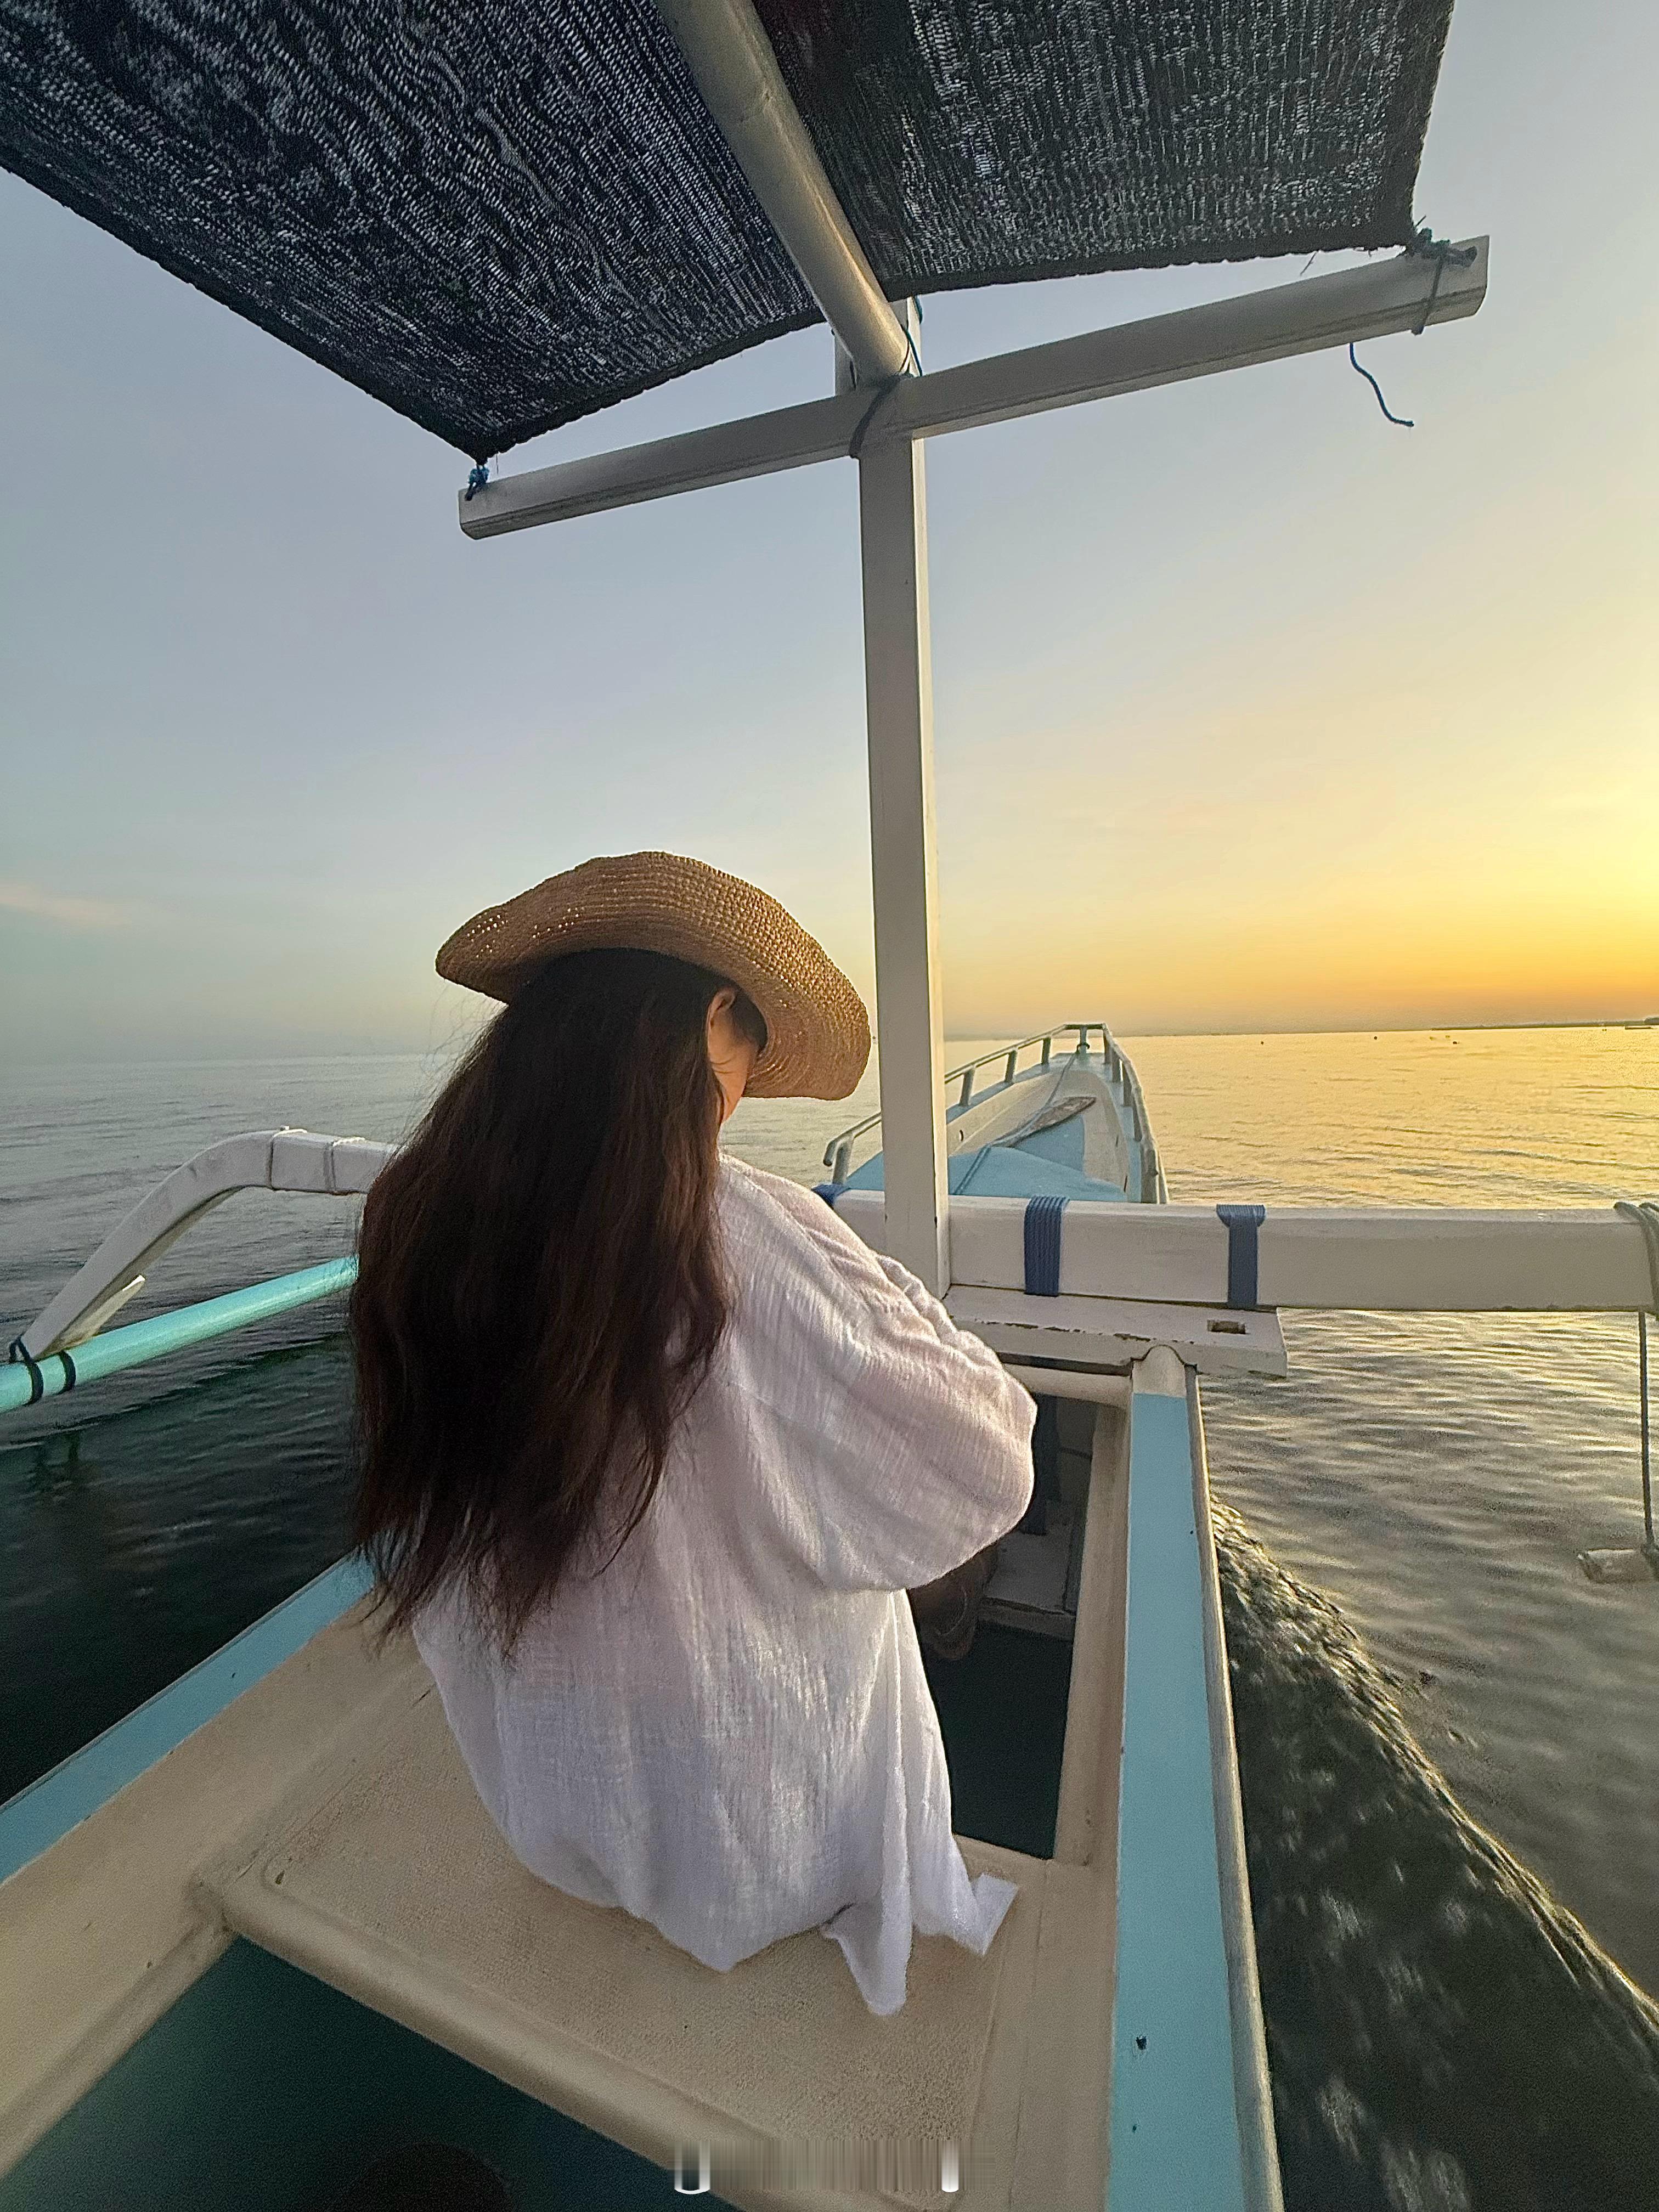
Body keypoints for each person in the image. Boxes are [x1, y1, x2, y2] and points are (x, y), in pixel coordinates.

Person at [348, 851, 1036, 2017]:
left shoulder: (421, 1219)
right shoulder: (750, 1238)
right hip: (756, 1857)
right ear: (717, 1016)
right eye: (750, 1053)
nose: (741, 1095)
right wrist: (895, 1297)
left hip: (550, 1819)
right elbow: (987, 1465)